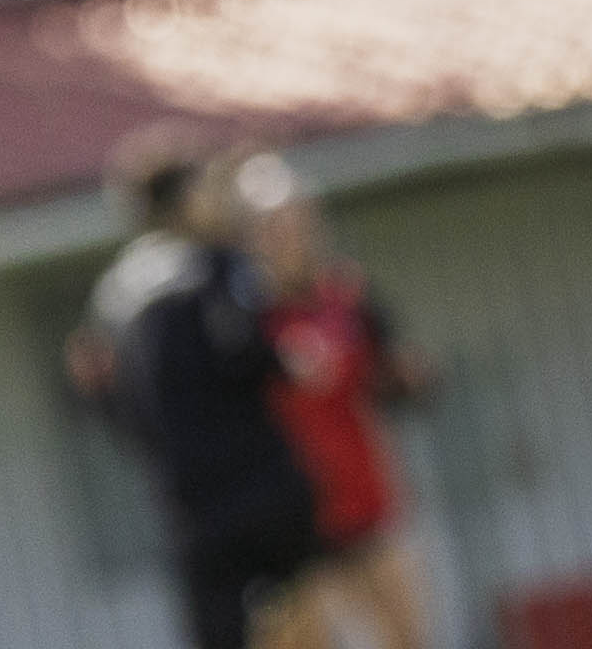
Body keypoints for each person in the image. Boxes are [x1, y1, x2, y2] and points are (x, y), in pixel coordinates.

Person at [73, 135, 327, 649]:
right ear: (187, 198)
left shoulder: (114, 293)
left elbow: (102, 392)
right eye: (207, 189)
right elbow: (245, 353)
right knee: (299, 620)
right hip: (260, 487)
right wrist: (289, 361)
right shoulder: (217, 266)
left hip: (186, 503)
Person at [235, 153, 434, 649]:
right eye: (272, 228)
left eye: (296, 222)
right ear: (249, 238)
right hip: (289, 521)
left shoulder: (348, 297)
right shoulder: (240, 320)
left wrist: (409, 379)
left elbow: (390, 374)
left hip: (364, 503)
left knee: (408, 636)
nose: (288, 237)